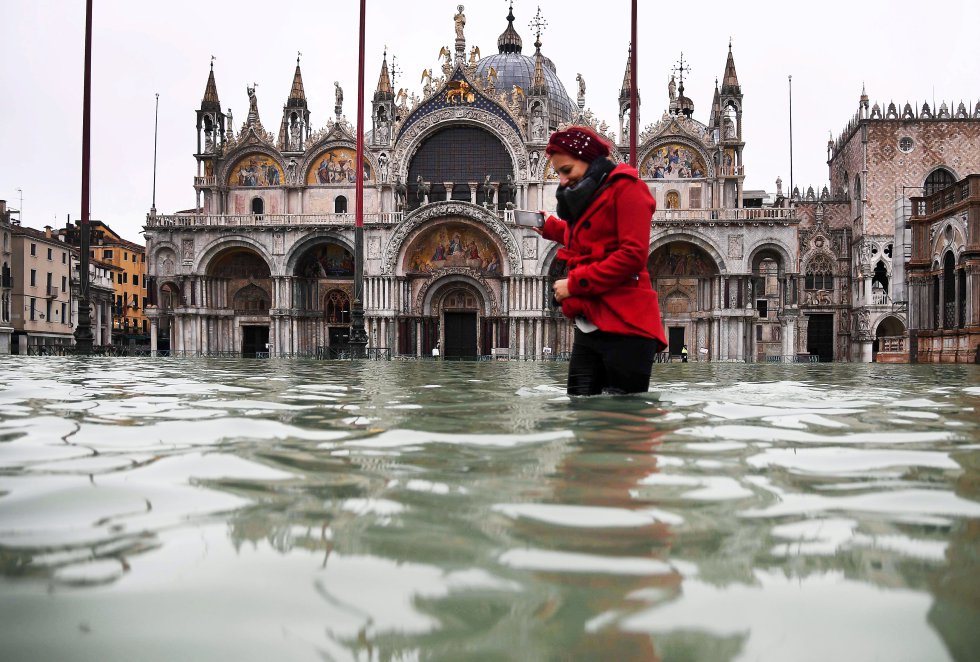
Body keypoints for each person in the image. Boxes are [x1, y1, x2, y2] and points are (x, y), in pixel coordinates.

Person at [535, 126, 667, 395]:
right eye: (557, 172)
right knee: (580, 409)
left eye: (567, 170)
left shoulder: (629, 189)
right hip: (591, 322)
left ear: (588, 159)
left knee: (624, 417)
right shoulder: (589, 196)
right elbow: (592, 238)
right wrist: (552, 228)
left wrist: (574, 285)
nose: (562, 180)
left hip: (627, 324)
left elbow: (632, 255)